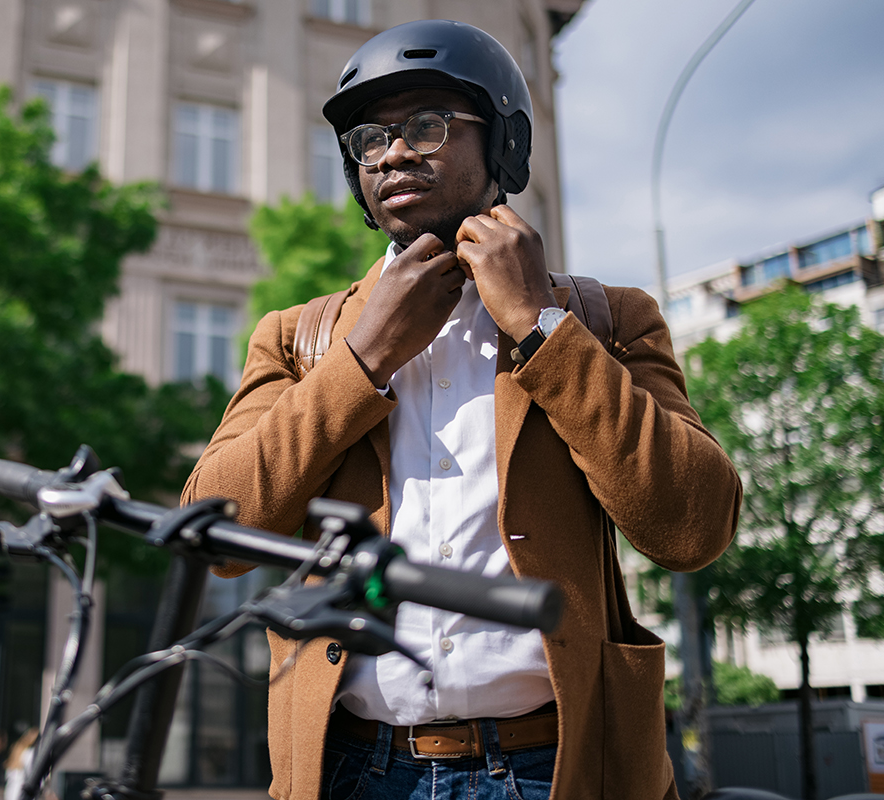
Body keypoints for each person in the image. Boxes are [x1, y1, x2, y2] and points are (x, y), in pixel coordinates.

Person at [181, 18, 740, 800]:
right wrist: (362, 361)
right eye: (371, 139)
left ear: (503, 144)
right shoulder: (298, 338)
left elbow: (693, 526)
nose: (395, 152)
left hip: (558, 766)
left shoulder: (609, 320)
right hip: (351, 770)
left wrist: (543, 328)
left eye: (428, 125)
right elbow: (214, 533)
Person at [2, 727, 39, 800]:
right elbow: (32, 773)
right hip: (21, 792)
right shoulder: (30, 753)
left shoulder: (17, 750)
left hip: (10, 790)